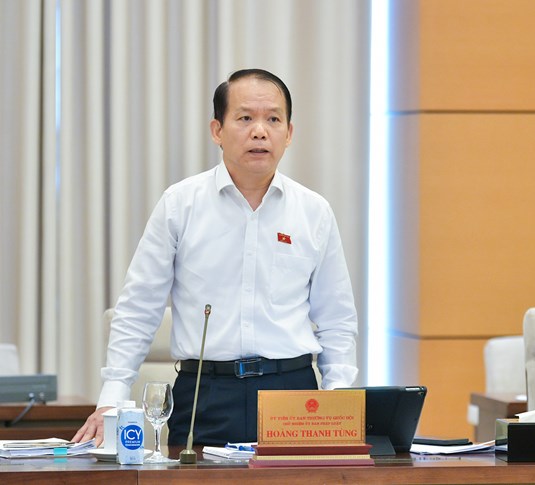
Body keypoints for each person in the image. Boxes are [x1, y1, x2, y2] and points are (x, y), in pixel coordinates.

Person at [73, 69, 358, 446]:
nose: (260, 131)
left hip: (292, 395)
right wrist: (112, 397)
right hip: (204, 394)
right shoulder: (180, 204)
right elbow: (139, 307)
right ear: (217, 131)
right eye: (245, 118)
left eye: (273, 119)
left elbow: (336, 318)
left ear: (289, 134)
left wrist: (338, 401)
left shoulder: (314, 211)